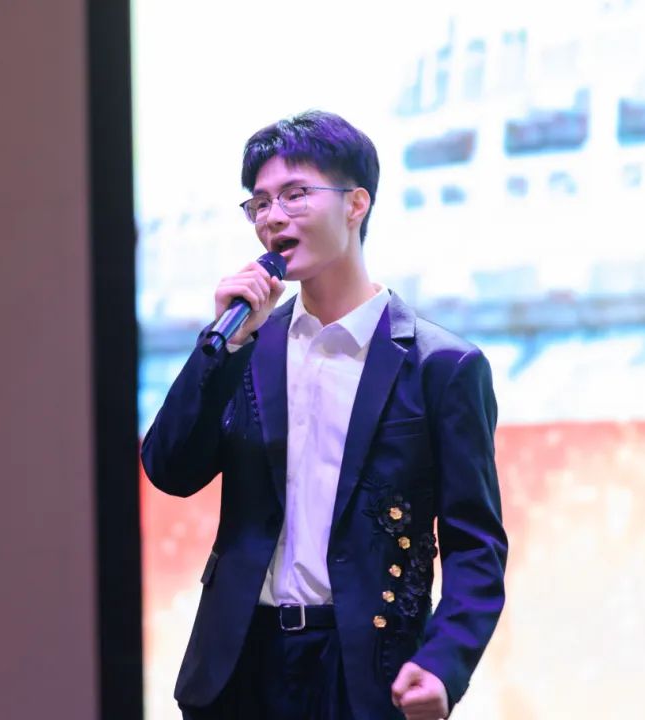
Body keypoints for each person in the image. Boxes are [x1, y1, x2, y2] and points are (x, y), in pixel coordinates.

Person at [141, 110, 507, 720]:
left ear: (356, 204)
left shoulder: (443, 366)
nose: (272, 216)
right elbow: (170, 469)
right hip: (239, 668)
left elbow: (476, 544)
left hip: (366, 671)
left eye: (295, 194)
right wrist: (220, 348)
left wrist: (445, 662)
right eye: (259, 203)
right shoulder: (247, 344)